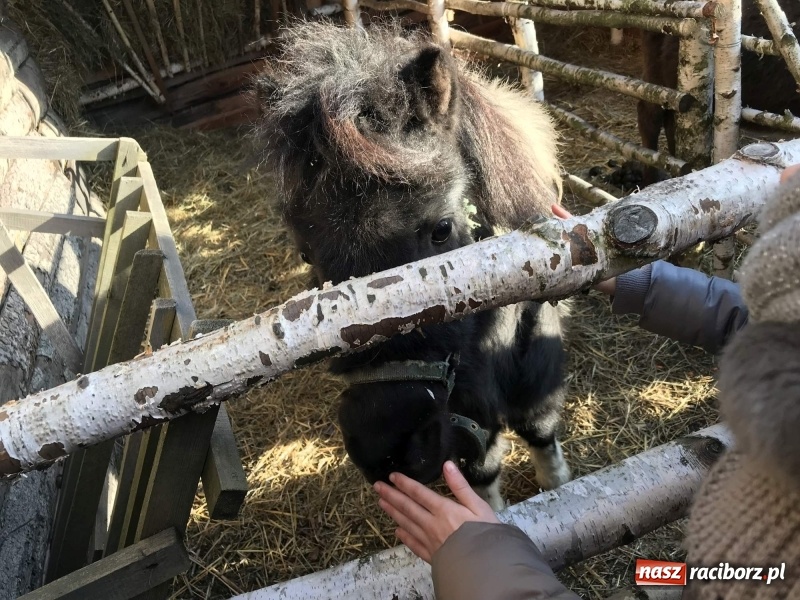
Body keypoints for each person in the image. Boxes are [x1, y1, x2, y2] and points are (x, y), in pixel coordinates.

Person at [374, 165, 800, 599]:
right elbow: (749, 319)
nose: (790, 174)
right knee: (670, 576)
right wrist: (617, 273)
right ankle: (666, 580)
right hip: (714, 571)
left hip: (726, 574)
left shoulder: (772, 577)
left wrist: (480, 560)